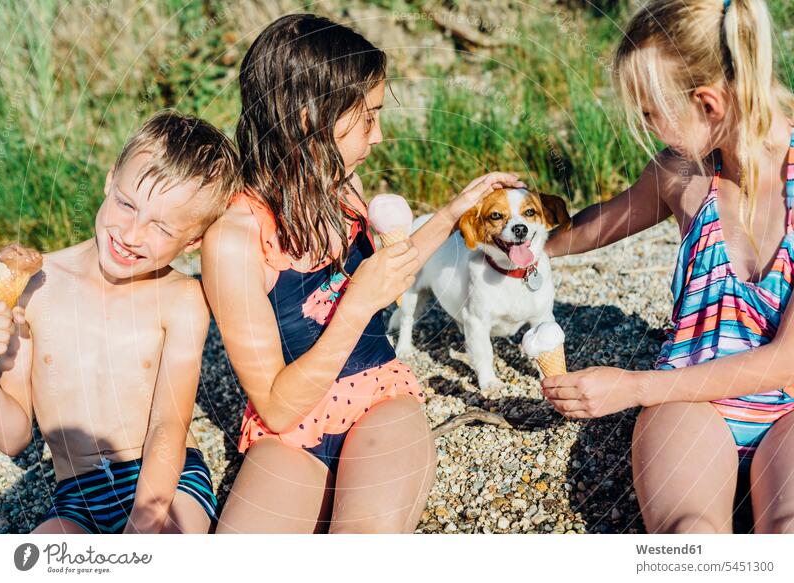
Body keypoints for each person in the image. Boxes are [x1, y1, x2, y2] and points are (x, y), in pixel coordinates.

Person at [202, 13, 524, 533]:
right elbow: (279, 409)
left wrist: (449, 213)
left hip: (380, 399)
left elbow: (391, 273)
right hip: (288, 432)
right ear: (309, 117)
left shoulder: (341, 190)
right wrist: (357, 303)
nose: (378, 136)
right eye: (369, 117)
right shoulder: (235, 239)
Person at [542, 0, 794, 533]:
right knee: (689, 537)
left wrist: (630, 387)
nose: (646, 126)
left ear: (707, 103)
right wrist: (515, 244)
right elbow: (594, 227)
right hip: (688, 403)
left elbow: (784, 362)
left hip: (786, 407)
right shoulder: (681, 176)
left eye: (650, 112)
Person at [0, 110, 242, 533]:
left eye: (161, 227)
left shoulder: (180, 300)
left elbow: (169, 423)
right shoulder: (35, 288)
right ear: (110, 180)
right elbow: (12, 436)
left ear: (193, 241)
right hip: (76, 495)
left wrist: (142, 525)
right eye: (127, 204)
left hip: (166, 481)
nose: (131, 234)